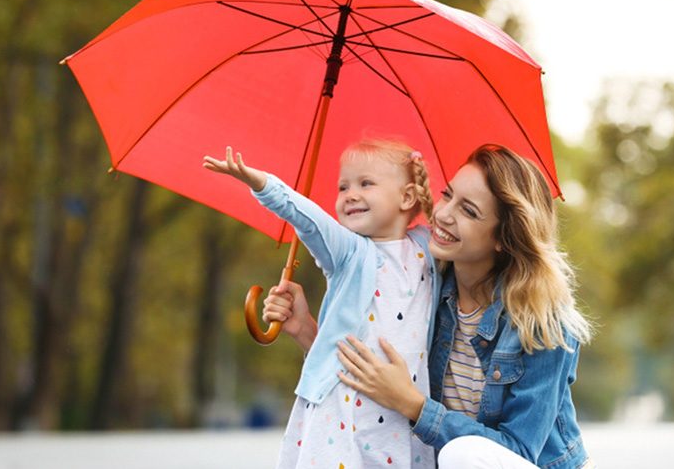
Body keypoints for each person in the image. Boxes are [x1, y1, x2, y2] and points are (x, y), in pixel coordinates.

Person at [265, 144, 593, 469]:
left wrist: (414, 405)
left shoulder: (545, 322)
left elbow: (519, 452)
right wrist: (307, 331)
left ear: (503, 238)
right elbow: (375, 371)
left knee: (461, 454)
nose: (443, 214)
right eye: (447, 195)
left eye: (469, 211)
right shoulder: (425, 284)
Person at [203, 140, 438, 468]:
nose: (350, 194)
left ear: (407, 197)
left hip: (400, 414)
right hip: (344, 410)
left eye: (365, 183)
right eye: (343, 186)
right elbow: (309, 220)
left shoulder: (426, 248)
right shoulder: (349, 252)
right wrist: (261, 183)